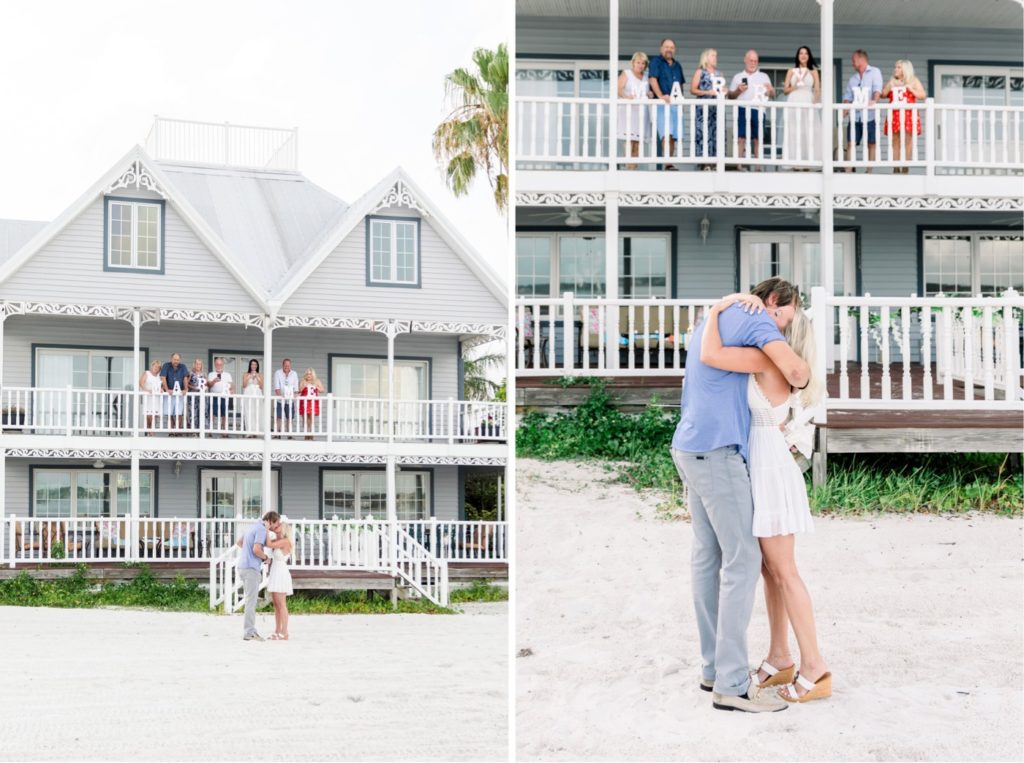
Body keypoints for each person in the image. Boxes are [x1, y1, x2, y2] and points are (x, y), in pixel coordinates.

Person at [670, 276, 809, 712]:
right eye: (789, 312)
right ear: (773, 301)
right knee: (744, 559)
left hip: (688, 445)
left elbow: (710, 357)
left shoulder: (716, 318)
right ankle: (731, 684)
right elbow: (797, 371)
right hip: (718, 451)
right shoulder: (757, 321)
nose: (787, 325)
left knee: (707, 557)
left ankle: (714, 670)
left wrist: (714, 309)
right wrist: (791, 378)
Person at [698, 293, 832, 704]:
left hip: (769, 469)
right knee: (768, 571)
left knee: (784, 571)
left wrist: (717, 310)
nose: (764, 323)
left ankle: (815, 668)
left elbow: (711, 354)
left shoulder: (766, 360)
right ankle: (780, 656)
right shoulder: (772, 360)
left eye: (775, 320)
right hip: (757, 461)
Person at [237, 511, 281, 641]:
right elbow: (257, 549)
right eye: (276, 524)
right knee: (251, 601)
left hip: (242, 567)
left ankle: (249, 630)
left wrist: (248, 554)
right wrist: (266, 558)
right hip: (251, 569)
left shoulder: (253, 526)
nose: (275, 527)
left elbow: (239, 542)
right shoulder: (262, 529)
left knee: (249, 600)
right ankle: (249, 632)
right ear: (271, 521)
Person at [728, 50, 776, 169]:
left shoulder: (764, 76)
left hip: (758, 110)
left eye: (755, 61)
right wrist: (738, 90)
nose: (753, 63)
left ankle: (758, 168)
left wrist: (770, 90)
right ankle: (738, 166)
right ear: (745, 60)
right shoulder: (738, 77)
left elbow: (773, 94)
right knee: (740, 138)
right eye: (751, 60)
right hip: (742, 109)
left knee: (758, 139)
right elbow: (730, 96)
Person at [881, 59, 926, 174]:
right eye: (895, 67)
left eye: (898, 67)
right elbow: (883, 95)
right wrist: (889, 87)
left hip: (908, 114)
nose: (895, 69)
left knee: (907, 139)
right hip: (895, 113)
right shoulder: (892, 81)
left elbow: (922, 95)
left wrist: (911, 89)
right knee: (895, 140)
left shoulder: (913, 81)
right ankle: (896, 166)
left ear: (905, 69)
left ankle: (905, 165)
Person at [843, 49, 884, 172]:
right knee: (851, 143)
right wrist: (845, 108)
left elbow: (877, 89)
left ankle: (869, 171)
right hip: (855, 117)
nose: (852, 62)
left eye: (853, 60)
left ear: (861, 59)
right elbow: (848, 97)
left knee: (871, 143)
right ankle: (848, 171)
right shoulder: (853, 79)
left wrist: (874, 100)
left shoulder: (875, 72)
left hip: (870, 116)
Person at [648, 38, 685, 170]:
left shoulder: (677, 65)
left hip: (675, 104)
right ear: (661, 48)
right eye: (666, 47)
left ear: (674, 50)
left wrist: (681, 100)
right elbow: (653, 80)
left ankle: (669, 162)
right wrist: (660, 96)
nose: (669, 49)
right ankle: (667, 162)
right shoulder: (656, 62)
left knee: (674, 135)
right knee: (666, 133)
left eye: (671, 47)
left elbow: (680, 84)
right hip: (662, 104)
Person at [783, 46, 821, 166]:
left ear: (809, 56)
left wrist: (815, 100)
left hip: (808, 101)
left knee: (808, 131)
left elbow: (817, 90)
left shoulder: (814, 72)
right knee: (794, 131)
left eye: (806, 53)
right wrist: (796, 86)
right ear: (797, 56)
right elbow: (785, 90)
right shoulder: (791, 71)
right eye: (801, 53)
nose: (803, 55)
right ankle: (795, 163)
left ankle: (808, 163)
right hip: (794, 100)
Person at [690, 48, 722, 169]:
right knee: (704, 133)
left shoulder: (719, 73)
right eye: (713, 55)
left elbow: (723, 89)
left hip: (716, 109)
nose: (715, 58)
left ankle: (715, 162)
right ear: (706, 58)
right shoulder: (700, 72)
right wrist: (707, 91)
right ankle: (705, 163)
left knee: (716, 133)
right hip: (703, 108)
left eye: (716, 56)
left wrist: (724, 90)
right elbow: (693, 90)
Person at [618, 51, 651, 170]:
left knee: (638, 142)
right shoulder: (626, 73)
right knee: (629, 141)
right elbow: (618, 89)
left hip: (641, 113)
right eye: (638, 62)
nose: (640, 65)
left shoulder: (647, 77)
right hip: (628, 112)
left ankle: (633, 168)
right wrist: (627, 97)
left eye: (643, 63)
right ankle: (628, 168)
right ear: (633, 63)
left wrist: (649, 94)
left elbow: (647, 92)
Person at [264, 519, 294, 640]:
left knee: (282, 604)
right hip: (275, 571)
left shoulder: (285, 541)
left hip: (281, 573)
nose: (276, 527)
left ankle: (285, 632)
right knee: (276, 605)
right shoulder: (278, 540)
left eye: (279, 526)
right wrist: (269, 530)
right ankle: (277, 630)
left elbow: (269, 544)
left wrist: (266, 529)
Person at [159, 353, 188, 434]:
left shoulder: (183, 366)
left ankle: (178, 431)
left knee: (179, 413)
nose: (176, 361)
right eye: (175, 359)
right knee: (169, 413)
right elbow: (163, 377)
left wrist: (185, 389)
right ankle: (171, 431)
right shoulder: (166, 366)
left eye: (178, 360)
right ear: (171, 359)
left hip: (179, 394)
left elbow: (185, 378)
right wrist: (167, 389)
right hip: (169, 394)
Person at [207, 356, 234, 435]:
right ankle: (210, 430)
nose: (219, 366)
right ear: (215, 365)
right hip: (214, 396)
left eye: (220, 364)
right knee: (212, 413)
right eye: (217, 364)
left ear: (223, 365)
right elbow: (209, 386)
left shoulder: (227, 375)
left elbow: (231, 386)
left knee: (224, 414)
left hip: (224, 396)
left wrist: (232, 390)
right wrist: (214, 381)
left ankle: (224, 431)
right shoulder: (211, 374)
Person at [273, 358, 299, 437]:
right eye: (285, 365)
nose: (287, 366)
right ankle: (277, 434)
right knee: (278, 416)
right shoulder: (278, 373)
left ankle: (289, 434)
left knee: (290, 417)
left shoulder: (294, 374)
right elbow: (277, 388)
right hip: (280, 399)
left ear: (290, 365)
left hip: (290, 400)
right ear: (283, 365)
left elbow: (296, 388)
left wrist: (293, 395)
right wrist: (281, 396)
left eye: (288, 365)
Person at [298, 367, 325, 440]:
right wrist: (304, 386)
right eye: (307, 374)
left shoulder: (317, 381)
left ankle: (311, 434)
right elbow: (299, 390)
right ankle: (307, 434)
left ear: (313, 374)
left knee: (311, 418)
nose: (309, 375)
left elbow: (322, 390)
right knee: (305, 418)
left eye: (310, 374)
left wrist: (316, 387)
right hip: (305, 401)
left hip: (313, 401)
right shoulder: (303, 381)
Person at [138, 360, 163, 434]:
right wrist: (147, 390)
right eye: (155, 366)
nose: (156, 368)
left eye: (158, 367)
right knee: (149, 415)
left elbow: (161, 385)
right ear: (152, 366)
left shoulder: (159, 376)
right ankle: (150, 430)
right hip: (148, 397)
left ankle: (151, 431)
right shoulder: (147, 373)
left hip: (156, 398)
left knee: (154, 415)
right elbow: (141, 383)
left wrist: (161, 389)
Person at [242, 359, 263, 438]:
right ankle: (249, 431)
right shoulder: (245, 374)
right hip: (248, 393)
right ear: (250, 365)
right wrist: (249, 377)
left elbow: (261, 386)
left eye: (255, 364)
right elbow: (244, 385)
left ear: (257, 366)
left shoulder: (260, 374)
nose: (254, 366)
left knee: (256, 412)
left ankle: (256, 432)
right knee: (249, 412)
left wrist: (257, 377)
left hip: (257, 394)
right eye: (252, 364)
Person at [187, 358, 207, 431]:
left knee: (201, 412)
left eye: (200, 364)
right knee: (192, 412)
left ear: (201, 365)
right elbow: (186, 384)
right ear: (194, 365)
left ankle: (201, 430)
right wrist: (194, 387)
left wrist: (204, 388)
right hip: (192, 396)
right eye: (197, 364)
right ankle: (193, 430)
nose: (198, 365)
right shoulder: (190, 373)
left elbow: (206, 384)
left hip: (201, 396)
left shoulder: (204, 374)